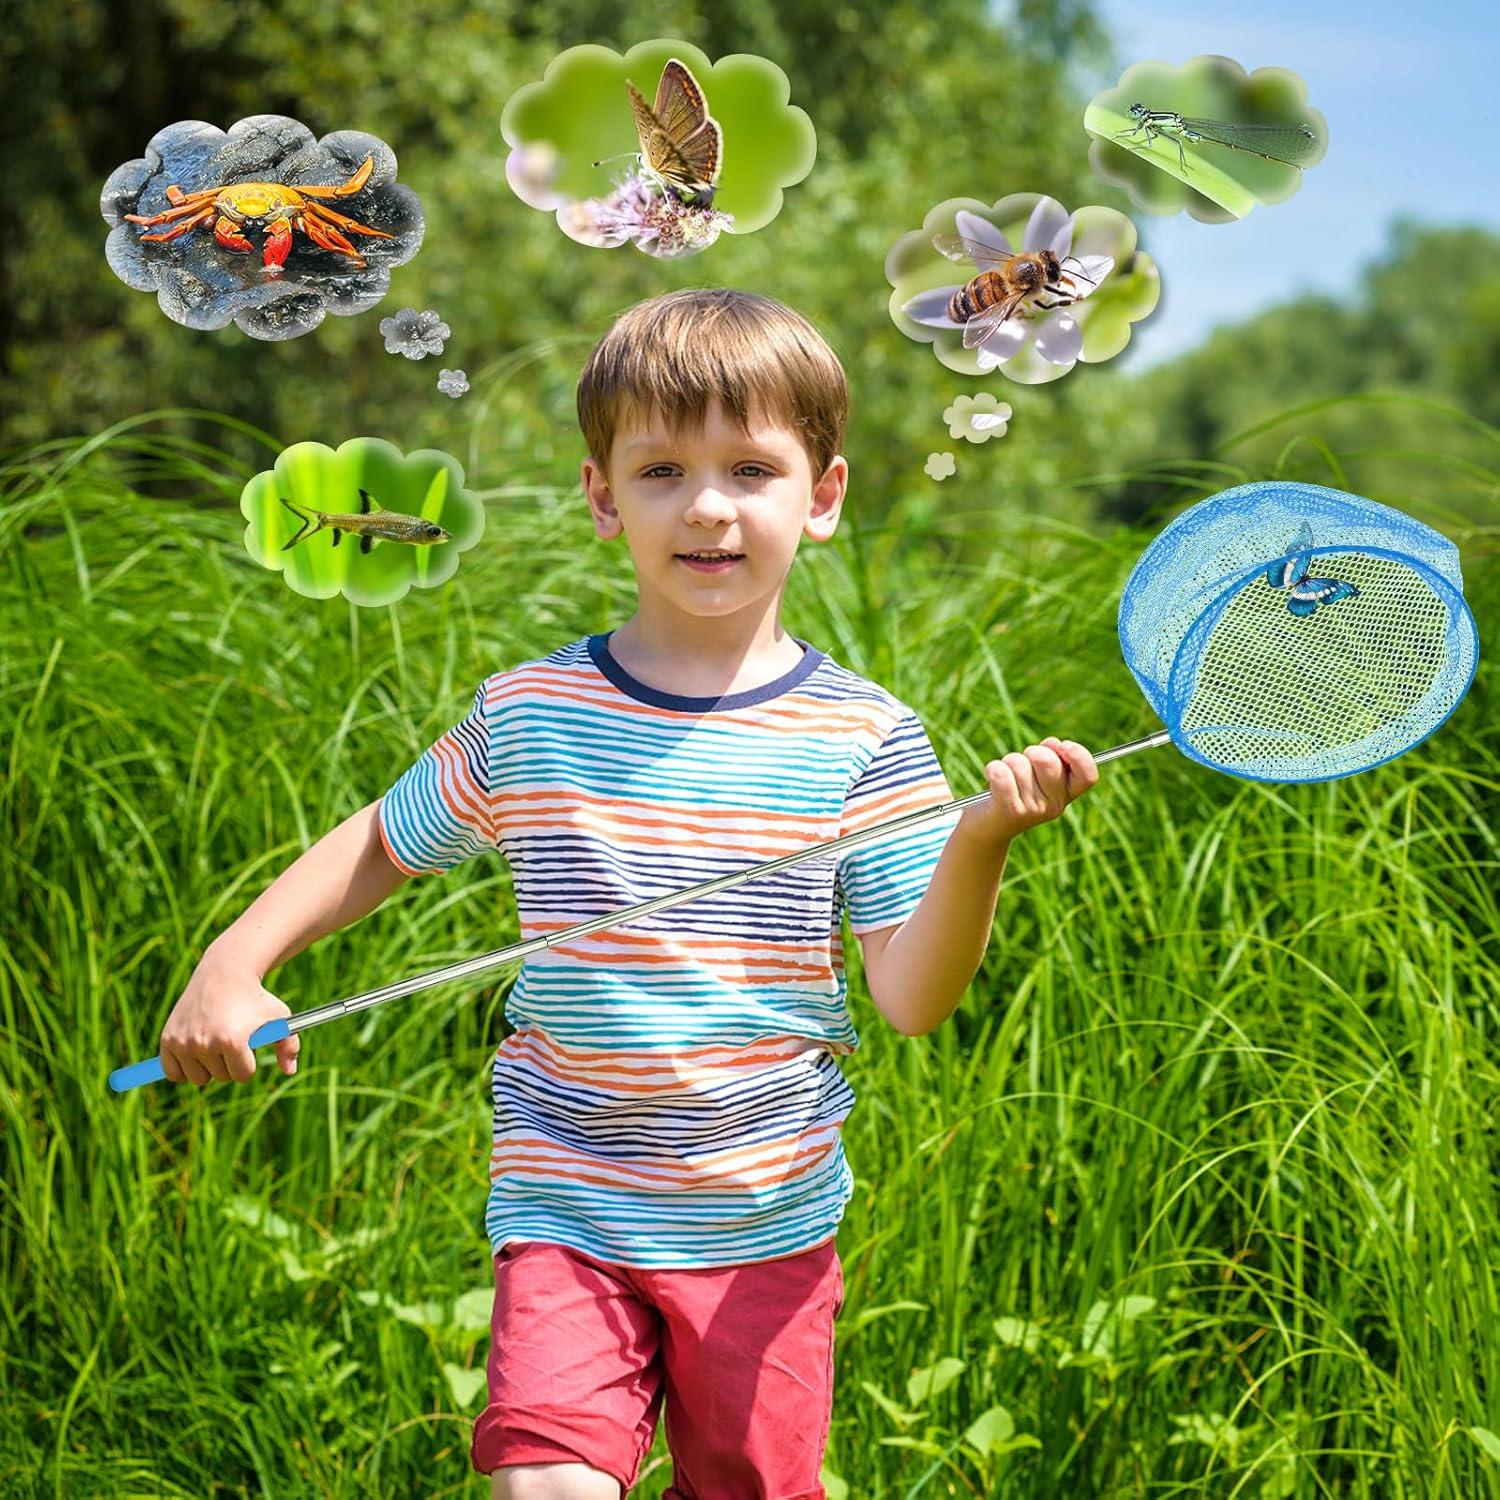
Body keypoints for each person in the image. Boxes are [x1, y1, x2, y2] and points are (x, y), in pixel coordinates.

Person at [158, 288, 1098, 1498]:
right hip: (568, 1196)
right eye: (662, 469)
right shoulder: (533, 712)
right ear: (605, 497)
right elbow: (384, 844)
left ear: (822, 498)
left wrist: (981, 843)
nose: (707, 504)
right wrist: (236, 963)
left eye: (751, 467)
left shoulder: (865, 738)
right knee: (544, 1479)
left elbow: (911, 998)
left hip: (764, 1221)